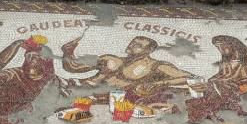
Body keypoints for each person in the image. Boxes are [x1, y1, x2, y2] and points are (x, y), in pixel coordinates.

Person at [61, 36, 193, 104]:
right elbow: (73, 67)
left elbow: (191, 78)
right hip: (72, 86)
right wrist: (67, 51)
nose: (131, 45)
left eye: (138, 45)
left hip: (98, 99)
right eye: (132, 42)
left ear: (148, 51)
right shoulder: (110, 59)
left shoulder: (155, 66)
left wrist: (158, 83)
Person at [186, 35, 247, 123]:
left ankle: (212, 114)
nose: (220, 50)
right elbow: (222, 77)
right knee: (201, 95)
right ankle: (206, 116)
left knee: (212, 92)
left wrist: (214, 86)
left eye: (222, 46)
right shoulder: (226, 62)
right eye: (218, 47)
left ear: (232, 45)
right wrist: (210, 83)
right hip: (230, 90)